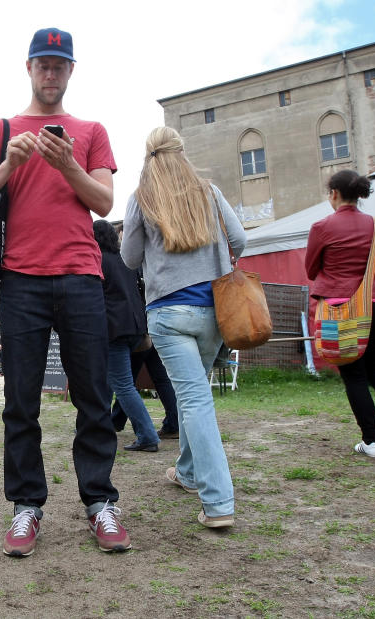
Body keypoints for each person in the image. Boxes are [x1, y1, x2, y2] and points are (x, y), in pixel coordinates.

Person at [0, 27, 130, 556]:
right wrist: (12, 162)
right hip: (21, 281)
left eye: (60, 64)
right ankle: (26, 507)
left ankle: (99, 502)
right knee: (21, 400)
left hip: (82, 276)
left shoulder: (93, 130)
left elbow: (104, 202)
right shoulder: (1, 129)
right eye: (43, 63)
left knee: (92, 396)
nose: (51, 73)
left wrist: (67, 164)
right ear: (29, 67)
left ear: (71, 70)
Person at [120, 126, 242, 529]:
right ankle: (188, 473)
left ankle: (219, 501)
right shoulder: (208, 191)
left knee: (194, 400)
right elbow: (238, 239)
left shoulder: (141, 198)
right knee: (197, 396)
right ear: (182, 152)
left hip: (169, 314)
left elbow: (131, 257)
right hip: (214, 313)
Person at [305, 169, 375, 459]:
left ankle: (372, 442)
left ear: (333, 194)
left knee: (353, 375)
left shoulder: (321, 227)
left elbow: (311, 269)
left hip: (338, 311)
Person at [94, 219, 159, 453]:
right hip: (135, 328)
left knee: (122, 385)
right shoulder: (125, 260)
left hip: (114, 329)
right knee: (115, 381)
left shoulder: (97, 261)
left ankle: (148, 435)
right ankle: (100, 424)